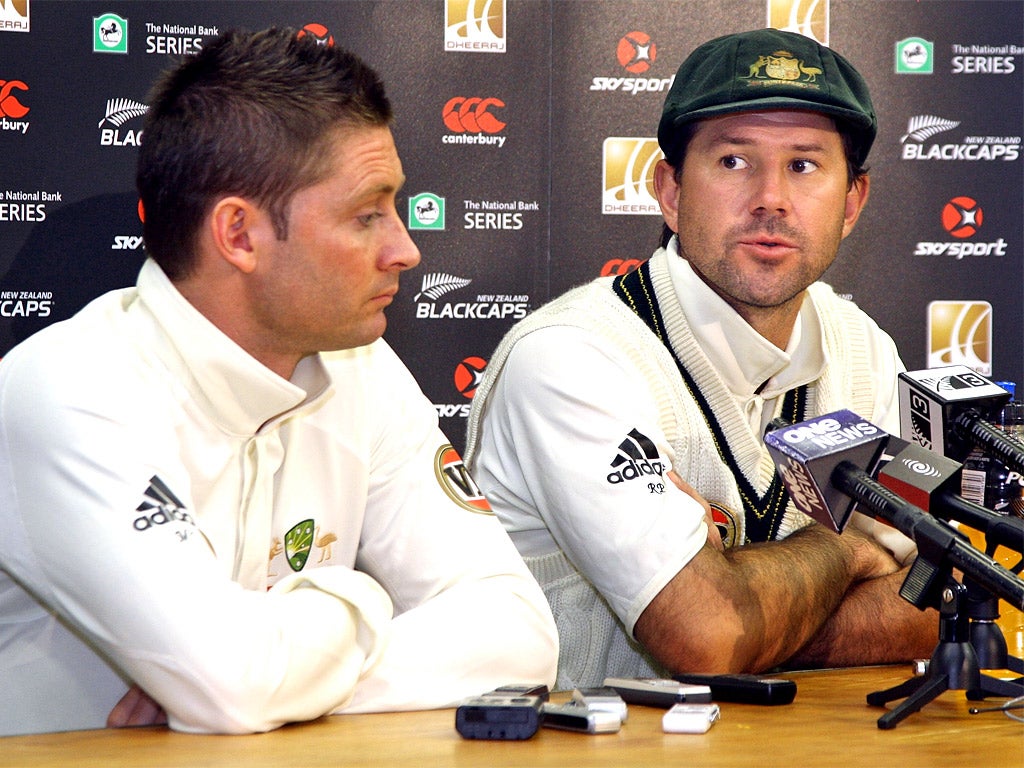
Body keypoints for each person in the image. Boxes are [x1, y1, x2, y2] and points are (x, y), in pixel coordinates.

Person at [0, 28, 557, 737]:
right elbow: (231, 687)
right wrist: (356, 595)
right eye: (366, 215)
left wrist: (268, 673)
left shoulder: (362, 368)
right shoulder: (69, 388)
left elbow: (520, 635)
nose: (406, 249)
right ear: (239, 235)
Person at [465, 28, 938, 690]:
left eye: (804, 165)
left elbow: (929, 611)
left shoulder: (863, 347)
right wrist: (852, 548)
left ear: (853, 201)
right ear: (671, 191)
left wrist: (741, 594)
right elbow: (707, 636)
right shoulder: (573, 358)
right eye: (733, 162)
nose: (771, 197)